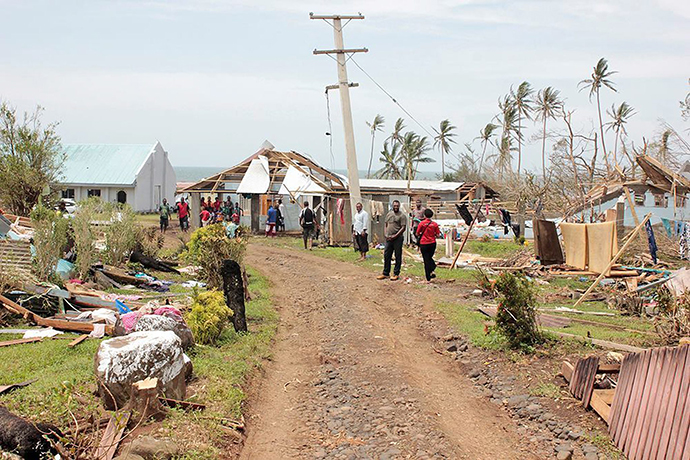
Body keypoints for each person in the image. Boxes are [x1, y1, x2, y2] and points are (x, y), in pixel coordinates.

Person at [377, 200, 407, 281]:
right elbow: (386, 225)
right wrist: (385, 234)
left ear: (399, 206)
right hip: (388, 238)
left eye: (397, 206)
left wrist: (395, 236)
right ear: (392, 206)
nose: (396, 207)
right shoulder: (389, 214)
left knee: (397, 256)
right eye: (394, 206)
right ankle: (386, 273)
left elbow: (403, 228)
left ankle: (396, 273)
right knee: (387, 255)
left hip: (398, 238)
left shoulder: (402, 216)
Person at [416, 208, 440, 283]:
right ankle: (432, 269)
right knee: (429, 257)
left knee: (426, 259)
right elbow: (438, 234)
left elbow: (417, 233)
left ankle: (428, 277)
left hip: (424, 243)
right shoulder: (434, 224)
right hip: (432, 243)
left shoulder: (421, 223)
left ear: (424, 215)